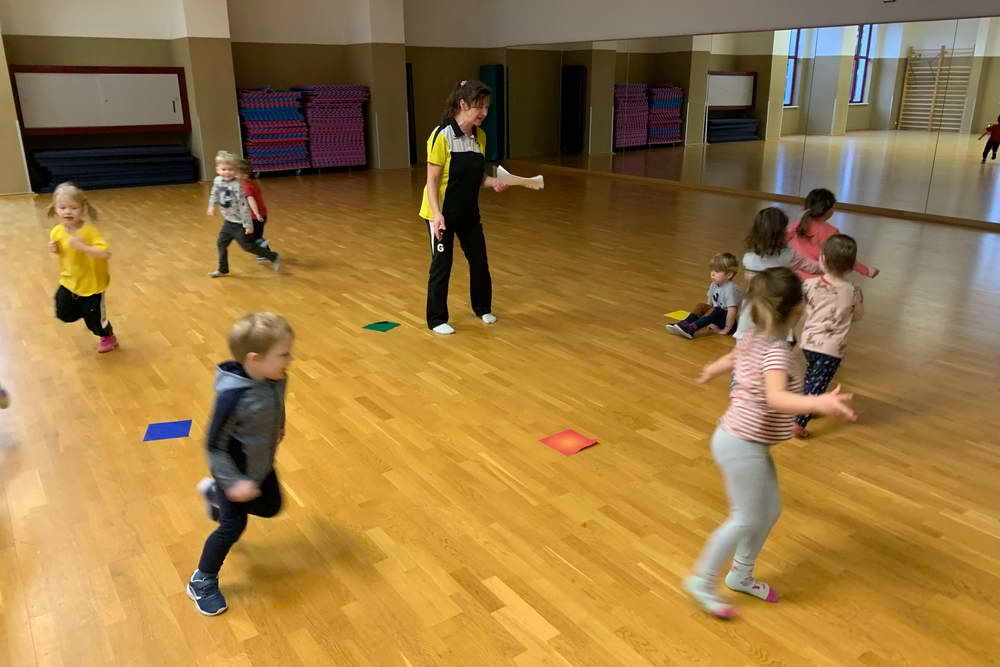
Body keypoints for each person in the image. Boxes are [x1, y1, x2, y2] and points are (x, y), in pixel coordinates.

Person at [684, 267, 857, 619]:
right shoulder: (776, 352)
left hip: (745, 442)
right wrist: (819, 402)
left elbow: (733, 358)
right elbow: (776, 397)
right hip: (740, 444)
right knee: (744, 517)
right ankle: (701, 580)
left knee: (769, 511)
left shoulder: (752, 337)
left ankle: (740, 575)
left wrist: (714, 368)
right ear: (798, 309)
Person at [187, 312, 293, 616]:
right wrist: (232, 484)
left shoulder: (275, 376)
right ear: (254, 360)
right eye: (284, 354)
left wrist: (279, 425)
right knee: (233, 526)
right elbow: (213, 445)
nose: (290, 359)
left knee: (271, 506)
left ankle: (212, 495)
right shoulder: (232, 397)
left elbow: (277, 401)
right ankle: (201, 580)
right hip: (233, 473)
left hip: (261, 463)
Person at [420, 80, 508, 335]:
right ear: (463, 104)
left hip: (468, 212)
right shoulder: (441, 135)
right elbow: (432, 180)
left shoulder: (480, 137)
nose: (484, 113)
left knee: (479, 260)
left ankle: (482, 308)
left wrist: (494, 182)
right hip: (441, 214)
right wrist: (437, 214)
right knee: (442, 265)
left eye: (487, 107)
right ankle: (436, 319)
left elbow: (476, 176)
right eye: (479, 107)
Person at [794, 234, 864, 438]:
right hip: (832, 349)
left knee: (812, 376)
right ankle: (798, 423)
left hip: (808, 342)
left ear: (822, 259)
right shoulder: (853, 291)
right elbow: (858, 316)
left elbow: (801, 307)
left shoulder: (809, 284)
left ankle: (812, 403)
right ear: (851, 266)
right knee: (818, 382)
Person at [47, 182, 118, 353]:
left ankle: (108, 336)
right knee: (63, 313)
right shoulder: (56, 231)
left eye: (73, 208)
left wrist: (83, 247)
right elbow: (63, 253)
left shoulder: (89, 232)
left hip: (92, 285)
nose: (68, 212)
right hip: (69, 281)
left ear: (83, 209)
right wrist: (54, 249)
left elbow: (105, 254)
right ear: (55, 209)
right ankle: (87, 313)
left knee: (96, 322)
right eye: (63, 207)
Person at [733, 207, 821, 341]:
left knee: (745, 341)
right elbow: (813, 267)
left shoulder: (748, 258)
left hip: (752, 308)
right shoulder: (789, 256)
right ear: (781, 233)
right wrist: (830, 265)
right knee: (776, 342)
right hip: (777, 309)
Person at [207, 151, 279, 277]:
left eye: (230, 170)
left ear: (235, 171)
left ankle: (272, 256)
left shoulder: (238, 186)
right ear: (217, 169)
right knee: (221, 243)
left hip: (239, 223)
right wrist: (211, 205)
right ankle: (223, 269)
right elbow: (214, 193)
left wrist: (248, 225)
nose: (227, 172)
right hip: (228, 222)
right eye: (224, 169)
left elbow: (243, 206)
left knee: (247, 246)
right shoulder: (217, 180)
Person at [786, 188, 879, 281]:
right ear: (828, 210)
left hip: (792, 275)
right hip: (816, 278)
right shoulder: (831, 232)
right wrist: (867, 270)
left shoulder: (799, 224)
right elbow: (843, 256)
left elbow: (781, 238)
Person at [667, 253, 743, 339]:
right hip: (718, 317)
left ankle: (692, 328)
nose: (712, 274)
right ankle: (684, 324)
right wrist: (709, 321)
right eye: (712, 270)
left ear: (729, 275)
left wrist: (726, 329)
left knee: (717, 310)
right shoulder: (714, 284)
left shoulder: (731, 289)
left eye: (717, 271)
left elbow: (732, 312)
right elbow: (709, 306)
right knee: (701, 306)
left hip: (732, 324)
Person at [237, 159, 272, 256]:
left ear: (244, 175)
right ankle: (264, 253)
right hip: (261, 215)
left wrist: (256, 213)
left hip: (255, 217)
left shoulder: (246, 186)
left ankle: (265, 252)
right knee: (256, 236)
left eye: (236, 173)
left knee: (249, 237)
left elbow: (251, 199)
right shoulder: (250, 183)